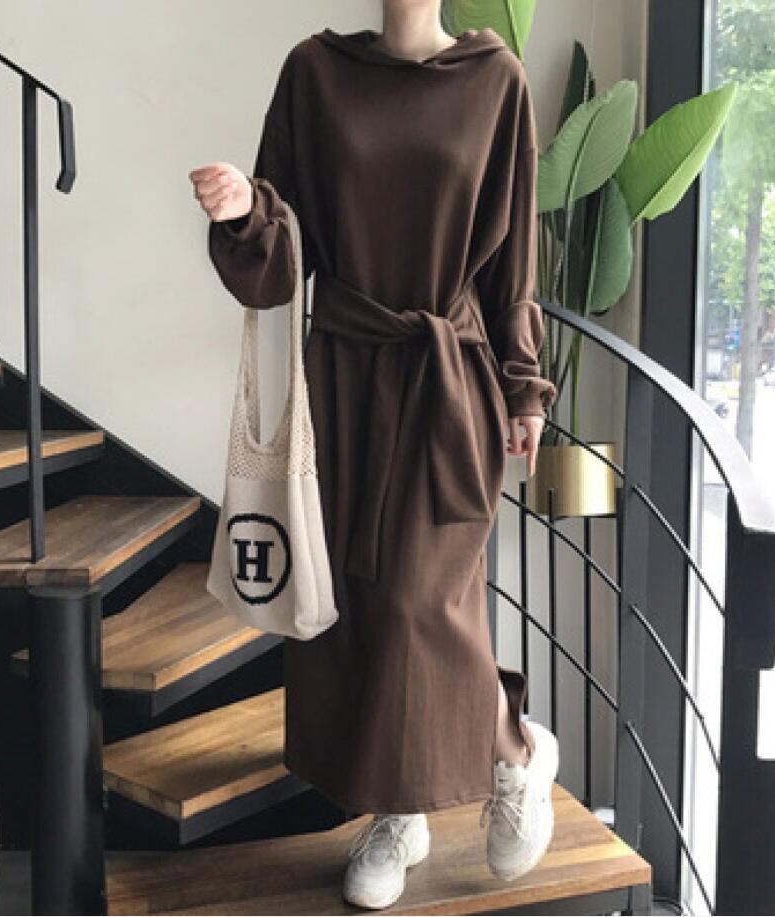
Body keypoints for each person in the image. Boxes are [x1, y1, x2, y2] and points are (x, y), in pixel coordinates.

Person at [190, 1, 559, 909]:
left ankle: (514, 751)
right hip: (344, 380)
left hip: (449, 384)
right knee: (360, 603)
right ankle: (400, 811)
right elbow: (286, 246)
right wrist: (244, 215)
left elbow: (514, 261)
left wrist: (525, 385)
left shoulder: (496, 81)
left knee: (421, 601)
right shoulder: (315, 74)